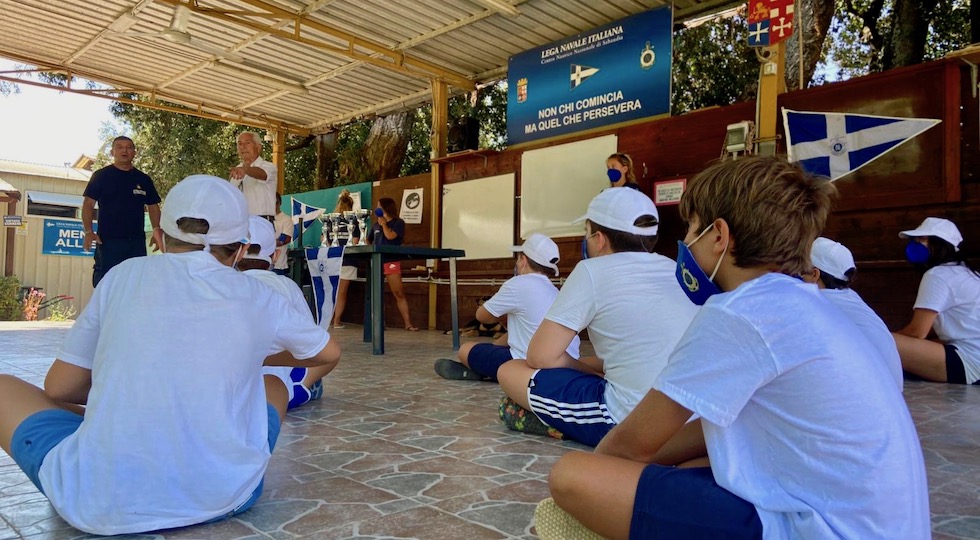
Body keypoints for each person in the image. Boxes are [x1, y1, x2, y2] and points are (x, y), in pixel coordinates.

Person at [540, 156, 929, 540]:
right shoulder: (805, 303)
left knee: (574, 476)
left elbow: (629, 444)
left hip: (822, 529)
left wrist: (609, 479)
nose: (687, 243)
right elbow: (704, 432)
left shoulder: (741, 311)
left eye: (692, 229)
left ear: (719, 235)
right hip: (881, 524)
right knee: (692, 462)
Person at [0, 175, 341, 535]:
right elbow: (327, 351)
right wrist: (255, 357)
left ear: (159, 239)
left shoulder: (122, 276)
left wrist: (134, 394)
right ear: (240, 250)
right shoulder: (260, 295)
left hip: (96, 502)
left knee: (4, 388)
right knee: (271, 385)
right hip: (227, 494)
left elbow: (59, 389)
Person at [495, 188, 699, 447]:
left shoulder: (592, 270)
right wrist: (592, 367)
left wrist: (585, 370)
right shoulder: (673, 267)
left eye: (586, 233)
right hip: (691, 418)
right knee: (596, 362)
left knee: (510, 370)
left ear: (600, 239)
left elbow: (540, 357)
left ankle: (566, 425)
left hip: (632, 419)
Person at [434, 233, 580, 382]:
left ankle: (483, 372)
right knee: (503, 341)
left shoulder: (517, 284)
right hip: (564, 362)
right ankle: (487, 369)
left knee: (466, 350)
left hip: (531, 363)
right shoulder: (554, 290)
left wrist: (499, 316)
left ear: (523, 261)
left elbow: (481, 316)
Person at [240, 216, 333, 408]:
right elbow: (312, 341)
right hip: (281, 383)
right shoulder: (286, 284)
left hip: (232, 384)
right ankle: (302, 385)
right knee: (325, 352)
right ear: (274, 255)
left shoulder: (221, 285)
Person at [804, 237, 904, 391]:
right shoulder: (847, 296)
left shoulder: (820, 301)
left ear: (815, 274)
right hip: (890, 392)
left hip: (869, 393)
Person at [893, 217, 980, 384]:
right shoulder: (966, 273)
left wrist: (889, 338)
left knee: (878, 338)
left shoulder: (937, 275)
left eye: (922, 239)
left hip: (969, 361)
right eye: (915, 239)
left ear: (940, 244)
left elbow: (917, 332)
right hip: (973, 355)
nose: (915, 243)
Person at [82, 136, 162, 287]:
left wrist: (157, 229)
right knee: (106, 285)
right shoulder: (101, 176)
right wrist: (88, 231)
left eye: (129, 147)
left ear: (134, 153)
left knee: (134, 285)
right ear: (112, 152)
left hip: (136, 243)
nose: (124, 150)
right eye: (119, 147)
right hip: (108, 241)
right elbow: (88, 203)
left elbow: (153, 206)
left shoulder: (143, 179)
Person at [369, 197, 418, 331]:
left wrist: (384, 224)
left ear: (386, 207)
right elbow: (368, 240)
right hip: (377, 261)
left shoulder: (398, 222)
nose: (377, 208)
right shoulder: (375, 225)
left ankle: (408, 323)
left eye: (379, 206)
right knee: (377, 293)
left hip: (391, 261)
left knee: (398, 292)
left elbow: (391, 237)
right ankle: (379, 323)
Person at [229, 131, 278, 220]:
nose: (243, 147)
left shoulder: (268, 166)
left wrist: (245, 169)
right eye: (240, 144)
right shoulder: (237, 169)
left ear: (258, 147)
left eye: (247, 143)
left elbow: (263, 174)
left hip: (261, 221)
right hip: (240, 222)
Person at [331, 190, 362, 329]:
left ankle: (328, 319)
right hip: (347, 260)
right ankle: (337, 321)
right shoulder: (354, 221)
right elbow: (355, 241)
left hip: (331, 259)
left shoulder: (331, 220)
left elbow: (322, 239)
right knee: (342, 292)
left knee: (332, 290)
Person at [272, 193, 292, 276]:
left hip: (278, 265)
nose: (273, 205)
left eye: (275, 203)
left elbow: (285, 239)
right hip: (262, 263)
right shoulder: (263, 218)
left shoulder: (286, 219)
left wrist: (266, 242)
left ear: (280, 203)